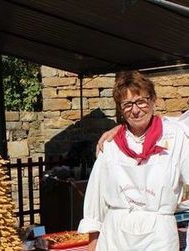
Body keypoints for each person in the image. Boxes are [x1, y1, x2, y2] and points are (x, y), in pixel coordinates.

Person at [77, 70, 189, 250]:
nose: (135, 110)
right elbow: (95, 203)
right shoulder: (111, 145)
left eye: (141, 101)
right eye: (127, 104)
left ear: (153, 100)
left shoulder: (176, 137)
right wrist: (93, 246)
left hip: (159, 237)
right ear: (121, 109)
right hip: (115, 237)